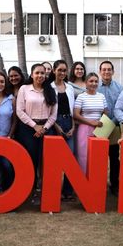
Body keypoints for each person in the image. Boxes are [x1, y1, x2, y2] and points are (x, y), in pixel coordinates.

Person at [16, 64, 57, 202]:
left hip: (46, 128)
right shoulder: (24, 89)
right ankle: (30, 190)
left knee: (46, 161)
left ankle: (45, 190)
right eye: (37, 73)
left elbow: (53, 115)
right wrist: (35, 126)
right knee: (30, 160)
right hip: (28, 129)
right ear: (32, 75)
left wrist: (44, 128)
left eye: (43, 73)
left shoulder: (51, 90)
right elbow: (19, 111)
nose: (40, 75)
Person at [49, 60, 77, 201]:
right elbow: (48, 111)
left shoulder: (70, 88)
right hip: (55, 123)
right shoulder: (49, 87)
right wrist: (56, 126)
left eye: (64, 70)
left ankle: (68, 191)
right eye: (59, 70)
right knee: (54, 160)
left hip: (69, 122)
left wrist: (73, 126)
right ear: (54, 70)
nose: (62, 73)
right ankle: (53, 191)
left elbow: (72, 109)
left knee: (70, 157)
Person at [97, 60, 123, 195]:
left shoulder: (120, 88)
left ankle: (114, 184)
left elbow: (121, 108)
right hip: (97, 127)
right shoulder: (94, 87)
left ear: (113, 71)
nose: (106, 72)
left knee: (114, 158)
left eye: (109, 69)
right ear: (100, 72)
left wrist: (112, 122)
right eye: (104, 69)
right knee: (98, 159)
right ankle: (98, 185)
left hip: (114, 126)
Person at [74, 73, 108, 171]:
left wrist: (99, 123)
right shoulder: (81, 96)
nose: (94, 83)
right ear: (86, 83)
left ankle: (95, 182)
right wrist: (91, 122)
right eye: (91, 81)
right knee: (83, 155)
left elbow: (105, 112)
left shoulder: (101, 96)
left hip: (99, 128)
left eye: (96, 81)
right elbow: (76, 114)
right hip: (84, 128)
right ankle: (83, 182)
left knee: (97, 156)